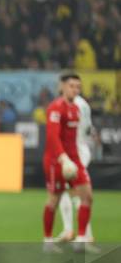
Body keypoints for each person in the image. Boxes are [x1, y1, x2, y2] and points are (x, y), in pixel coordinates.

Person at [42, 73, 96, 253]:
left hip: (74, 159)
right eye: (71, 86)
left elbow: (75, 138)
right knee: (54, 200)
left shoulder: (77, 109)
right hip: (56, 161)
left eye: (77, 87)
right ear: (62, 87)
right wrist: (63, 159)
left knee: (87, 196)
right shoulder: (55, 108)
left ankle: (81, 239)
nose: (75, 89)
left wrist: (75, 160)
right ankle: (48, 242)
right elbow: (52, 138)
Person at [56, 92, 96, 243]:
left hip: (74, 153)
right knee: (66, 192)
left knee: (76, 192)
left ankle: (85, 234)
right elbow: (88, 129)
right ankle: (71, 231)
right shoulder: (84, 104)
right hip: (81, 150)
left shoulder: (68, 105)